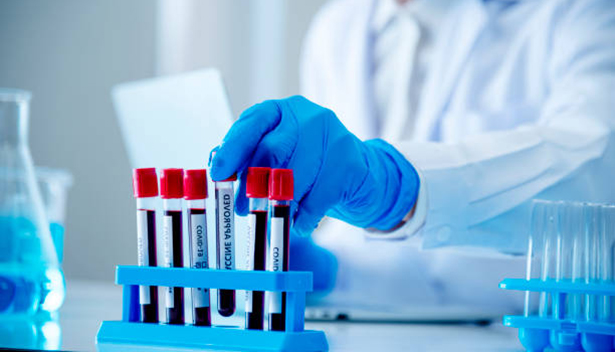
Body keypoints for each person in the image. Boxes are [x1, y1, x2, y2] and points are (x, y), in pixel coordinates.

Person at [210, 0, 615, 313]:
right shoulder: (336, 29)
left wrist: (394, 188)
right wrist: (333, 271)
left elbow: (594, 163)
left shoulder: (576, 14)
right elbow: (407, 270)